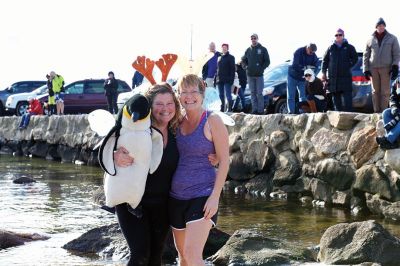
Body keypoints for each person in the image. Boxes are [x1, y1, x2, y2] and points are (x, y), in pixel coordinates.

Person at [113, 82, 219, 265]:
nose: (165, 109)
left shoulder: (177, 130)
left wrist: (215, 155)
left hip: (163, 204)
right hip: (132, 203)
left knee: (155, 257)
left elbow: (198, 147)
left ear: (176, 105)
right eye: (159, 104)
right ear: (149, 106)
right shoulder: (137, 126)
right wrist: (114, 155)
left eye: (170, 103)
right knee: (140, 256)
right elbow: (104, 146)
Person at [170, 74, 229, 266]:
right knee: (183, 258)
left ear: (202, 94)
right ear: (178, 96)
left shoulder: (213, 121)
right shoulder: (176, 122)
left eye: (193, 91)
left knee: (193, 255)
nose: (189, 96)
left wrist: (215, 197)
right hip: (175, 197)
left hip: (202, 196)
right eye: (184, 92)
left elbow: (225, 161)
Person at [363, 17, 400, 113]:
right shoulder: (369, 39)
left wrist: (395, 66)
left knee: (385, 92)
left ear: (385, 26)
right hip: (373, 69)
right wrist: (366, 69)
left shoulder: (392, 38)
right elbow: (366, 55)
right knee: (375, 91)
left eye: (383, 25)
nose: (381, 27)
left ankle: (383, 112)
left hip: (386, 68)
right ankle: (376, 112)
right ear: (376, 27)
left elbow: (396, 54)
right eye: (379, 25)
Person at [321, 28, 358, 112]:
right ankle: (338, 117)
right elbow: (324, 61)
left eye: (340, 35)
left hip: (345, 77)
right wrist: (323, 72)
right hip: (334, 79)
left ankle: (349, 117)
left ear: (343, 36)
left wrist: (348, 65)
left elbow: (355, 58)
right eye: (336, 35)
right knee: (336, 101)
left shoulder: (349, 47)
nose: (338, 36)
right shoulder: (330, 48)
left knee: (348, 99)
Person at [241, 33, 270, 114]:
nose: (253, 40)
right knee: (252, 93)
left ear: (257, 39)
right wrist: (246, 67)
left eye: (255, 38)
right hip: (250, 75)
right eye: (252, 38)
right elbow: (243, 60)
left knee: (259, 93)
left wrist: (261, 68)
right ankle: (255, 110)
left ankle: (260, 111)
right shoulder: (248, 50)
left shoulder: (263, 49)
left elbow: (267, 61)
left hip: (259, 75)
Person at [287, 43, 319, 114]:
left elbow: (317, 66)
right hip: (292, 76)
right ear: (307, 48)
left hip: (303, 79)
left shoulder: (313, 55)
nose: (311, 54)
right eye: (310, 52)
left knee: (303, 96)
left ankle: (303, 113)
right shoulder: (298, 52)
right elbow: (295, 65)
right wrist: (305, 69)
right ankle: (291, 112)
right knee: (291, 96)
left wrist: (312, 74)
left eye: (313, 52)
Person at [376, 78, 400, 150]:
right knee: (386, 113)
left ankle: (388, 139)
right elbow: (392, 98)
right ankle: (393, 142)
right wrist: (394, 108)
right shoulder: (397, 82)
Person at [216, 43, 235, 112]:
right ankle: (222, 109)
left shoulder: (231, 57)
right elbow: (217, 69)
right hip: (219, 79)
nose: (224, 49)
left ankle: (230, 109)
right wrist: (216, 79)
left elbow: (233, 69)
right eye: (223, 47)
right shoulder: (219, 58)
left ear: (227, 48)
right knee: (221, 95)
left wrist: (231, 80)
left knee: (228, 94)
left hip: (227, 79)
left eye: (225, 47)